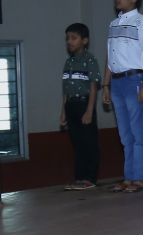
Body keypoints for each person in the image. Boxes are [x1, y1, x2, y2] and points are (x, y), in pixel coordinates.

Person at [101, 0, 143, 193]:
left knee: (139, 133)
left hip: (135, 80)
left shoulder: (142, 22)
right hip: (116, 83)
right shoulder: (113, 24)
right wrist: (106, 84)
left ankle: (141, 178)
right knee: (126, 135)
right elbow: (109, 56)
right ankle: (129, 177)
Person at [60, 23, 100, 191]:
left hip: (85, 105)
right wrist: (63, 111)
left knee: (89, 142)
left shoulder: (90, 60)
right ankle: (80, 178)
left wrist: (89, 110)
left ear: (84, 41)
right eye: (67, 38)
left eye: (73, 38)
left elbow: (93, 87)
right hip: (71, 106)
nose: (69, 41)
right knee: (77, 143)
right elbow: (65, 89)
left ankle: (90, 178)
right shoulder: (68, 62)